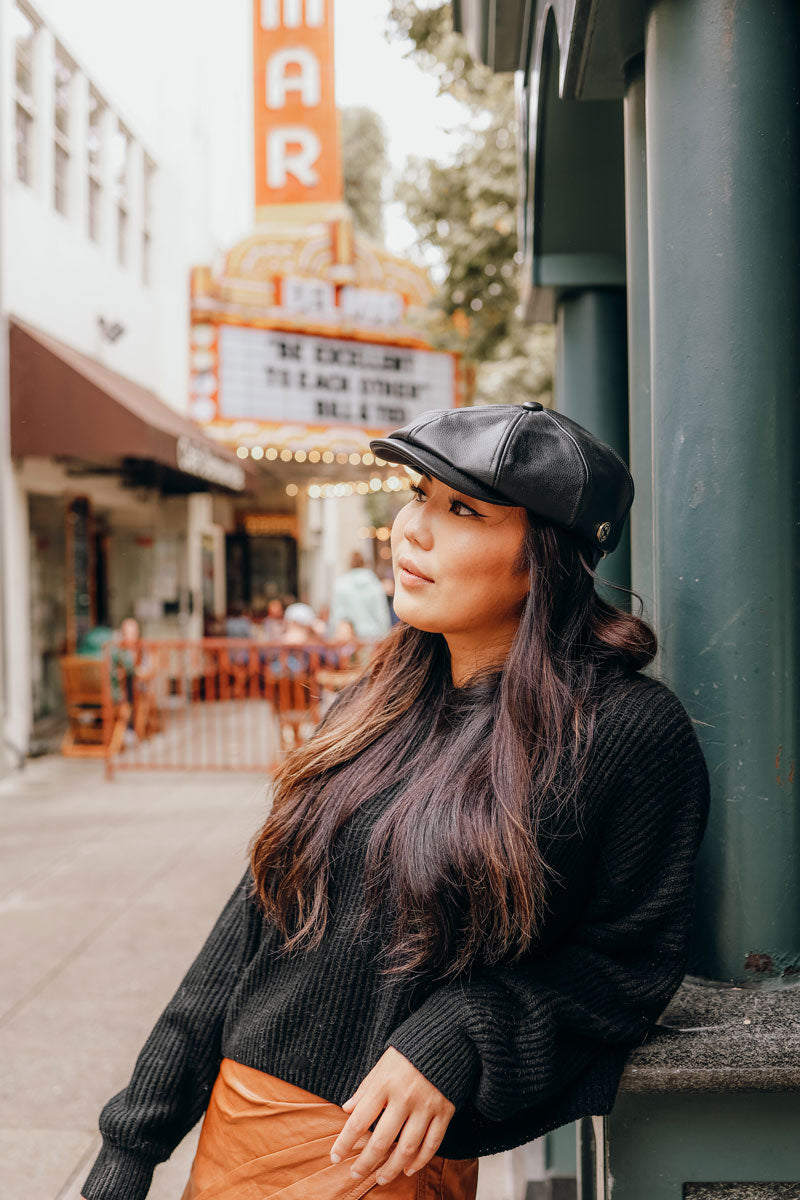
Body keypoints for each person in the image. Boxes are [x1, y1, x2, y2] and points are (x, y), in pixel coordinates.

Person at [81, 403, 710, 1200]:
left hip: (380, 1152)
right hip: (239, 1123)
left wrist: (468, 1029)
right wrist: (130, 1145)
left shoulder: (621, 730)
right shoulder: (372, 704)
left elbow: (631, 964)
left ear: (545, 557)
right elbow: (253, 925)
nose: (412, 529)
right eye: (419, 493)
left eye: (462, 510)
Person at [330, 549, 392, 640]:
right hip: (373, 637)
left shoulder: (341, 585)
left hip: (350, 640)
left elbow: (338, 615)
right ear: (364, 564)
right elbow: (382, 614)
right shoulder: (374, 585)